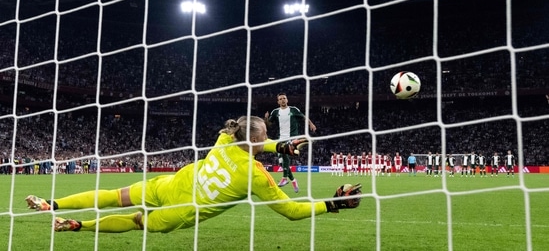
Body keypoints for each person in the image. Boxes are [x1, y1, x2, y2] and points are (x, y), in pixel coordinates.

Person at [25, 116, 361, 233]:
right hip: (181, 211)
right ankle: (79, 226)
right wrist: (332, 204)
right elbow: (291, 211)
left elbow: (253, 139)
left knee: (115, 195)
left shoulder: (225, 139)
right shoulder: (256, 175)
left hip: (171, 183)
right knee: (134, 221)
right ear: (258, 141)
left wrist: (278, 146)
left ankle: (51, 204)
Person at [265, 92, 316, 193]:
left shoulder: (293, 109)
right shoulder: (275, 112)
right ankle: (293, 180)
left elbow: (303, 117)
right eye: (280, 99)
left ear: (287, 100)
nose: (283, 100)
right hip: (281, 138)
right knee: (281, 162)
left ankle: (284, 178)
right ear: (278, 101)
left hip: (292, 137)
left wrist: (311, 124)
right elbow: (269, 124)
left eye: (284, 98)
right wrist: (266, 118)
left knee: (284, 153)